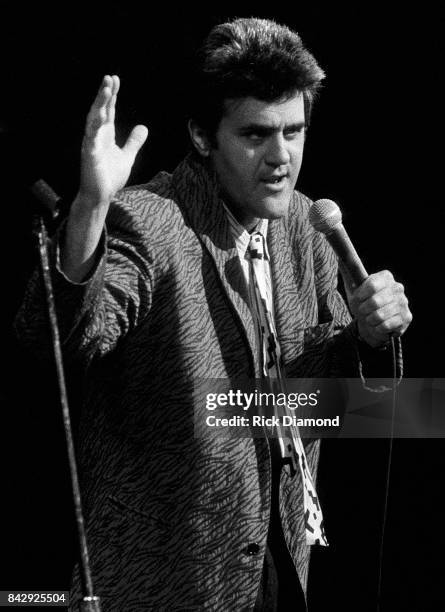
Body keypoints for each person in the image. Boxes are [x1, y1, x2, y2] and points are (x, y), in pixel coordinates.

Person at [15, 17, 412, 611]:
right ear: (203, 136)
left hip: (279, 566)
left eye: (294, 132)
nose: (282, 157)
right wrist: (90, 210)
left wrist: (369, 342)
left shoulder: (308, 226)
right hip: (166, 577)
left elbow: (340, 406)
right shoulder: (148, 221)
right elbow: (63, 340)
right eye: (256, 134)